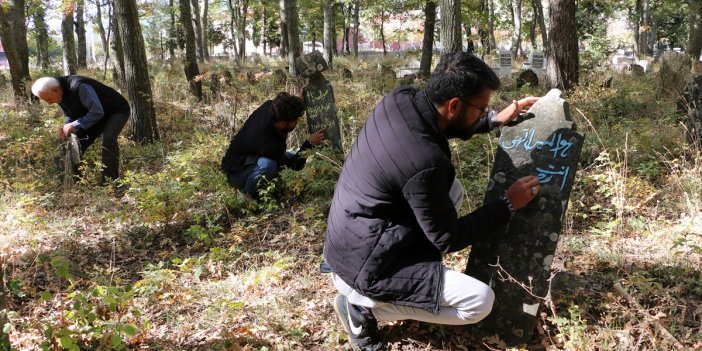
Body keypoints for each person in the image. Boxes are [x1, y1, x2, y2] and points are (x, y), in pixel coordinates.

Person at [323, 52, 542, 350]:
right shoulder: (426, 163)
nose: (483, 112)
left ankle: (377, 293)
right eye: (481, 108)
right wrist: (506, 204)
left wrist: (492, 120)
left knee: (452, 190)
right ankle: (363, 308)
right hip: (365, 267)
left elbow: (448, 125)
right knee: (479, 301)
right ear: (454, 104)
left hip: (349, 238)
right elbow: (447, 238)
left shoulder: (402, 99)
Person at [221, 92, 325, 198]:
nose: (297, 121)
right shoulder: (268, 143)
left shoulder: (271, 107)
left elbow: (284, 106)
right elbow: (294, 166)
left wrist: (297, 103)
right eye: (295, 120)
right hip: (236, 174)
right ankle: (246, 197)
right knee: (269, 165)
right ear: (282, 123)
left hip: (248, 160)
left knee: (292, 154)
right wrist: (310, 143)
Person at [31, 76, 130, 184]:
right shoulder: (58, 93)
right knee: (73, 140)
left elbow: (97, 112)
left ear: (56, 90)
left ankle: (110, 181)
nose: (49, 103)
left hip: (115, 110)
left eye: (49, 99)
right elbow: (71, 114)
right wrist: (65, 127)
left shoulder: (80, 86)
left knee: (108, 138)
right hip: (95, 115)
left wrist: (73, 124)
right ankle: (74, 181)